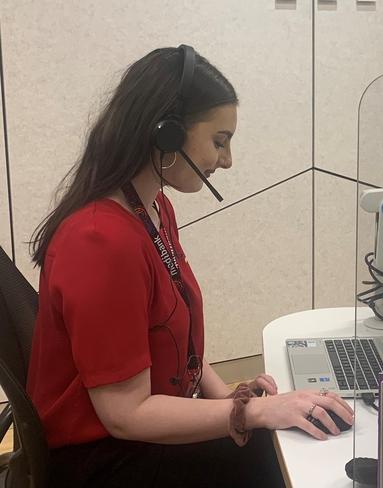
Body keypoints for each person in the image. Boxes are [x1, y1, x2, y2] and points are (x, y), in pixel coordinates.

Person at [26, 45, 354, 488]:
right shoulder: (99, 241)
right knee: (293, 465)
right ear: (167, 134)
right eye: (219, 141)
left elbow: (178, 339)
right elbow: (126, 415)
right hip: (106, 460)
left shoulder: (154, 209)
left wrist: (231, 398)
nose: (226, 160)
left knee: (293, 440)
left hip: (143, 435)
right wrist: (252, 412)